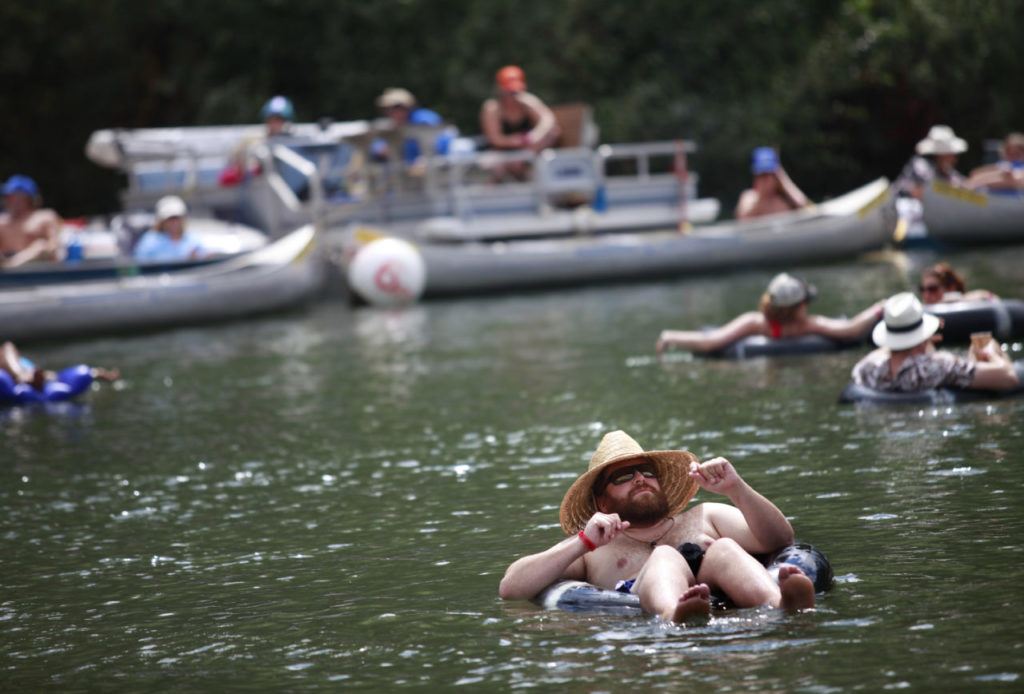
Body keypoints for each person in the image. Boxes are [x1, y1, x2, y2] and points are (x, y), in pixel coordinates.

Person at [499, 430, 816, 622]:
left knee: (724, 549)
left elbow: (780, 539)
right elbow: (511, 588)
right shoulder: (593, 548)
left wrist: (736, 488)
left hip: (722, 595)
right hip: (646, 618)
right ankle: (673, 614)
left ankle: (781, 604)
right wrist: (582, 541)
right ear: (602, 503)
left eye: (646, 471)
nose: (639, 478)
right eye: (623, 477)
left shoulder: (705, 515)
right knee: (665, 557)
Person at [655, 272, 884, 355]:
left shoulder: (754, 323)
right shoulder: (806, 325)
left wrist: (670, 337)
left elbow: (710, 342)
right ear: (798, 307)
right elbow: (851, 328)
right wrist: (879, 307)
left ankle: (668, 337)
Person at [851, 292, 1019, 393]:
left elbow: (873, 360)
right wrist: (990, 352)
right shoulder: (936, 366)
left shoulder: (869, 369)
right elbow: (1008, 378)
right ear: (921, 336)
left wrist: (919, 344)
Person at [479, 65, 561, 180]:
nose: (512, 96)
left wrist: (535, 136)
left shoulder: (527, 102)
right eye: (509, 92)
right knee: (489, 165)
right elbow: (496, 139)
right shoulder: (492, 108)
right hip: (502, 154)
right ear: (500, 89)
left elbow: (548, 120)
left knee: (552, 133)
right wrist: (516, 141)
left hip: (528, 152)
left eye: (515, 92)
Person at [371, 88, 453, 175]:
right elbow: (376, 148)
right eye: (387, 109)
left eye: (396, 107)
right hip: (406, 176)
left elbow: (444, 139)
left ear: (407, 107)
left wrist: (425, 158)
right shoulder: (391, 126)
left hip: (434, 172)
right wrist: (382, 150)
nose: (391, 112)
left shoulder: (423, 119)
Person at [220, 95, 296, 186]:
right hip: (257, 188)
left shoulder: (294, 143)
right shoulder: (252, 139)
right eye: (271, 119)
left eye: (278, 119)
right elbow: (236, 160)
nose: (274, 123)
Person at [1, 341, 119, 390]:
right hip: (19, 372)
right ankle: (23, 376)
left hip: (27, 370)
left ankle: (97, 373)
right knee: (8, 347)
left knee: (51, 376)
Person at [1, 174, 62, 269]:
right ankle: (10, 267)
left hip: (36, 267)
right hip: (6, 266)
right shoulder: (2, 221)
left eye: (13, 196)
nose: (8, 200)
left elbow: (53, 248)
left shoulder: (45, 217)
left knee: (41, 246)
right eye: (8, 197)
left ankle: (11, 266)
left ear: (27, 198)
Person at [734, 147, 810, 220]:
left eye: (768, 174)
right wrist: (762, 198)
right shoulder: (748, 197)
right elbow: (743, 220)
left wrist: (783, 180)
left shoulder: (785, 198)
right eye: (761, 175)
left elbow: (807, 209)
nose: (764, 180)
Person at [895, 125, 968, 200]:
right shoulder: (920, 166)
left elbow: (963, 184)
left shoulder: (949, 174)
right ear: (940, 155)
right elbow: (906, 188)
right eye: (951, 154)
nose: (954, 158)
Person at [133, 195, 205, 262]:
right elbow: (140, 263)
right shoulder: (149, 241)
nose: (174, 222)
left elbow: (204, 258)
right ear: (162, 221)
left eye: (177, 217)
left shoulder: (192, 239)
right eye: (170, 218)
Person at [918, 262, 997, 305]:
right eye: (922, 289)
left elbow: (990, 297)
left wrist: (951, 300)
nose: (926, 294)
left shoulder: (965, 301)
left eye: (932, 289)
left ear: (952, 287)